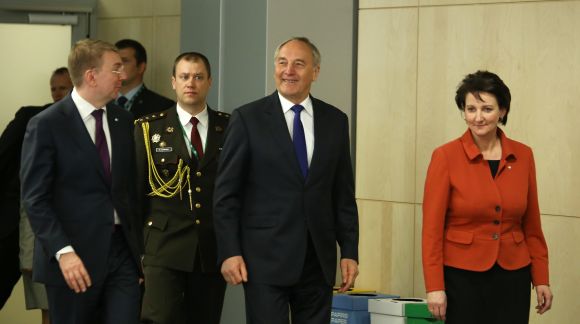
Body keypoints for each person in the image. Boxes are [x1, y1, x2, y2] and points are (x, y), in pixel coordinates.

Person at [213, 37, 359, 324]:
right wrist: (229, 252)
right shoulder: (247, 118)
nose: (288, 70)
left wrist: (350, 251)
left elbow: (342, 194)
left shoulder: (335, 121)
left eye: (299, 64)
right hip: (264, 259)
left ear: (315, 72)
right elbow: (225, 195)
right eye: (282, 63)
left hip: (318, 259)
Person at [20, 39, 143, 324]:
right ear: (91, 75)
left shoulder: (123, 120)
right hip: (73, 259)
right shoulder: (47, 124)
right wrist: (63, 252)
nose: (122, 77)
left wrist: (140, 255)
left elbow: (130, 191)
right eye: (115, 69)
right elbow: (35, 198)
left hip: (121, 254)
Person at [422, 70, 553, 323]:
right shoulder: (445, 156)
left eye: (486, 109)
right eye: (470, 109)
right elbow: (431, 230)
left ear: (502, 111)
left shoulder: (524, 155)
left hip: (513, 275)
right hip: (462, 276)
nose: (478, 117)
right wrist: (434, 286)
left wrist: (541, 278)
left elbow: (532, 225)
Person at [135, 52, 228, 324]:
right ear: (173, 82)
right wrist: (136, 253)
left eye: (198, 77)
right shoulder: (148, 129)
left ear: (209, 82)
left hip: (211, 249)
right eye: (185, 77)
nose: (191, 83)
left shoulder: (230, 127)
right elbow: (135, 194)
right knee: (159, 319)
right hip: (163, 247)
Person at [0, 67, 72, 312]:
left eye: (63, 87)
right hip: (16, 226)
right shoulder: (32, 118)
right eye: (54, 88)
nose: (58, 93)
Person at [115, 39, 175, 119]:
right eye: (115, 62)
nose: (118, 66)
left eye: (125, 61)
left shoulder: (163, 107)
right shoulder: (102, 102)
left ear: (141, 67)